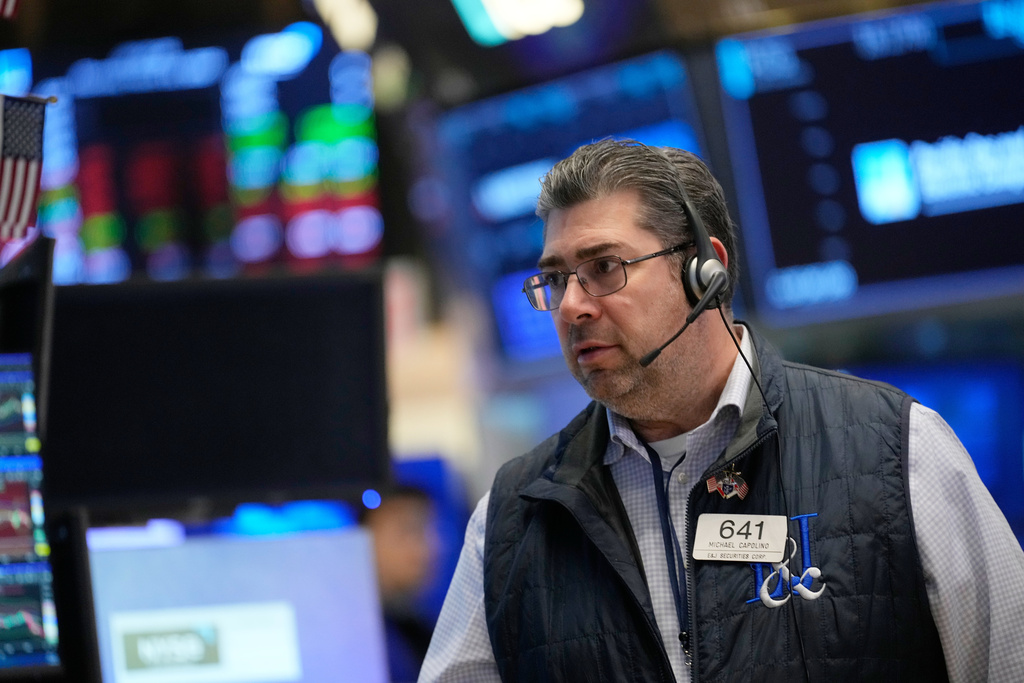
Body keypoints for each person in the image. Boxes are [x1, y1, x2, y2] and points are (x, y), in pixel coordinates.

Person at [418, 138, 1024, 682]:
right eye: (555, 279)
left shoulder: (898, 452)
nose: (572, 305)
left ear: (705, 270)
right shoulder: (512, 519)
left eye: (604, 268)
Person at [362, 485, 441, 683]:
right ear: (363, 536)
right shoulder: (356, 639)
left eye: (429, 530)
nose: (432, 548)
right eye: (410, 531)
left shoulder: (417, 629)